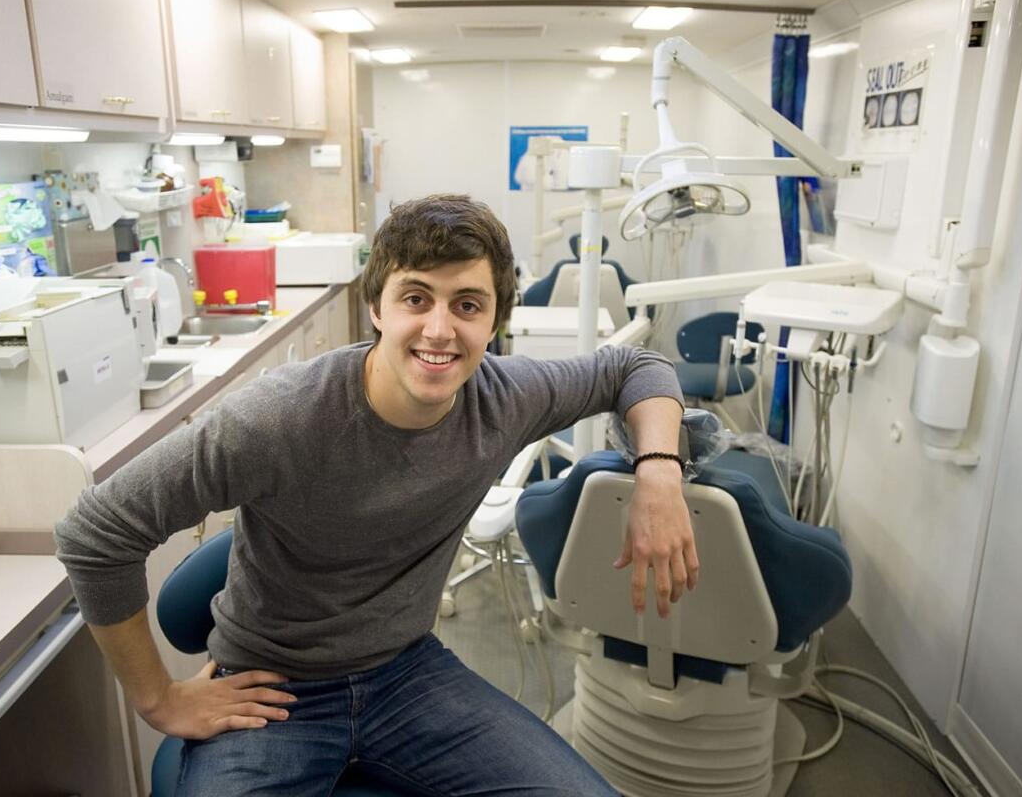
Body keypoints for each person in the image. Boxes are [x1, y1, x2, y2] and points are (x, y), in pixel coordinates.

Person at [55, 193, 697, 796]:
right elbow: (95, 532)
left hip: (409, 674)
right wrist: (157, 699)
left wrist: (659, 475)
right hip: (273, 690)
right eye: (416, 298)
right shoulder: (279, 420)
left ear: (496, 317)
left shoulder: (503, 399)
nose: (440, 330)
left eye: (468, 305)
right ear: (377, 306)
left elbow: (636, 367)